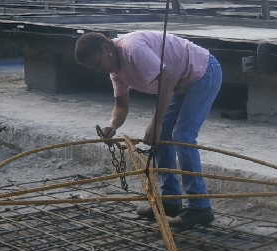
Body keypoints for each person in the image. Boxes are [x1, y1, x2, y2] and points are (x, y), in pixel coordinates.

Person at [74, 31, 222, 229]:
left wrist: (157, 121)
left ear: (106, 49)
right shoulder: (116, 72)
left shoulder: (133, 49)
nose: (99, 70)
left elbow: (167, 78)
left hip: (203, 72)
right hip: (179, 83)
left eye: (98, 64)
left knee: (182, 136)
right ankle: (170, 200)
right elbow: (121, 106)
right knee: (161, 136)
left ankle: (200, 208)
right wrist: (112, 126)